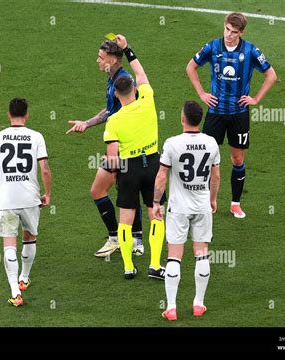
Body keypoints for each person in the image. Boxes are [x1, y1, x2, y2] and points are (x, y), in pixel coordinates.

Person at [186, 12, 277, 218]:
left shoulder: (251, 50)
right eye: (227, 29)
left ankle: (235, 203)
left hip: (239, 114)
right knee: (206, 158)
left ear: (241, 32)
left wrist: (255, 99)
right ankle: (206, 202)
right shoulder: (212, 47)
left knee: (237, 159)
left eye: (234, 32)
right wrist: (201, 93)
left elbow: (271, 75)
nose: (229, 35)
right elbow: (190, 67)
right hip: (215, 112)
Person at [66, 40, 145, 257]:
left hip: (123, 146)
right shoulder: (115, 79)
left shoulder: (124, 81)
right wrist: (87, 123)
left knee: (98, 190)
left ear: (113, 60)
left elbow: (131, 113)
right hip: (122, 144)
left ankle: (116, 238)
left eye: (101, 57)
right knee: (125, 190)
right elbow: (111, 110)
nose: (97, 61)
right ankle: (136, 240)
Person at [104, 34, 165, 280]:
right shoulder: (147, 101)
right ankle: (155, 265)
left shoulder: (114, 120)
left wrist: (118, 176)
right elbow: (141, 73)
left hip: (129, 170)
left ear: (117, 96)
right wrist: (127, 48)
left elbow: (111, 158)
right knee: (156, 214)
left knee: (126, 220)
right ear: (135, 89)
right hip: (152, 165)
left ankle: (129, 266)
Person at [153, 101, 220, 321]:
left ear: (183, 119)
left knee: (174, 256)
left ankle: (171, 307)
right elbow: (216, 176)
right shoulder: (211, 143)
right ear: (199, 119)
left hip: (178, 208)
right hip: (202, 206)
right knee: (202, 253)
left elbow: (162, 176)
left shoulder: (172, 143)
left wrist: (156, 203)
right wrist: (212, 199)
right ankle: (199, 304)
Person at [0, 98, 52, 307]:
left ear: (8, 114)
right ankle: (24, 278)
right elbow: (44, 168)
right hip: (30, 198)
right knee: (29, 238)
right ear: (27, 115)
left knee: (8, 244)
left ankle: (15, 292)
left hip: (7, 200)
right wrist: (48, 193)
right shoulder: (36, 137)